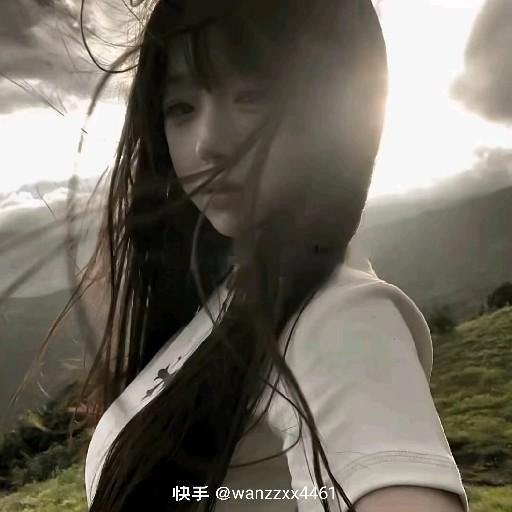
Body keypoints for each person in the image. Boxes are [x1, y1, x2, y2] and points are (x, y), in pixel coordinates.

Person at [60, 0, 469, 511]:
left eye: (252, 96)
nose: (206, 144)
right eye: (181, 107)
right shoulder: (232, 288)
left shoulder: (339, 315)